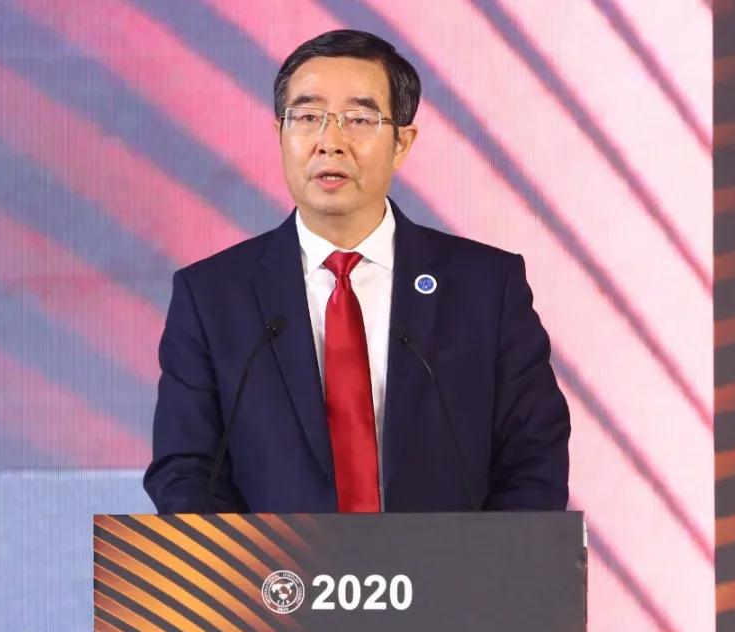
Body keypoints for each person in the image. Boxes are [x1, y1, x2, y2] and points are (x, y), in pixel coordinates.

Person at [144, 29, 569, 514]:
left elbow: (534, 457)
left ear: (402, 142)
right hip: (274, 565)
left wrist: (486, 559)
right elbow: (186, 471)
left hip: (451, 563)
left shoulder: (487, 288)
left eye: (360, 119)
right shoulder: (212, 296)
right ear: (280, 134)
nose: (330, 142)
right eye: (307, 117)